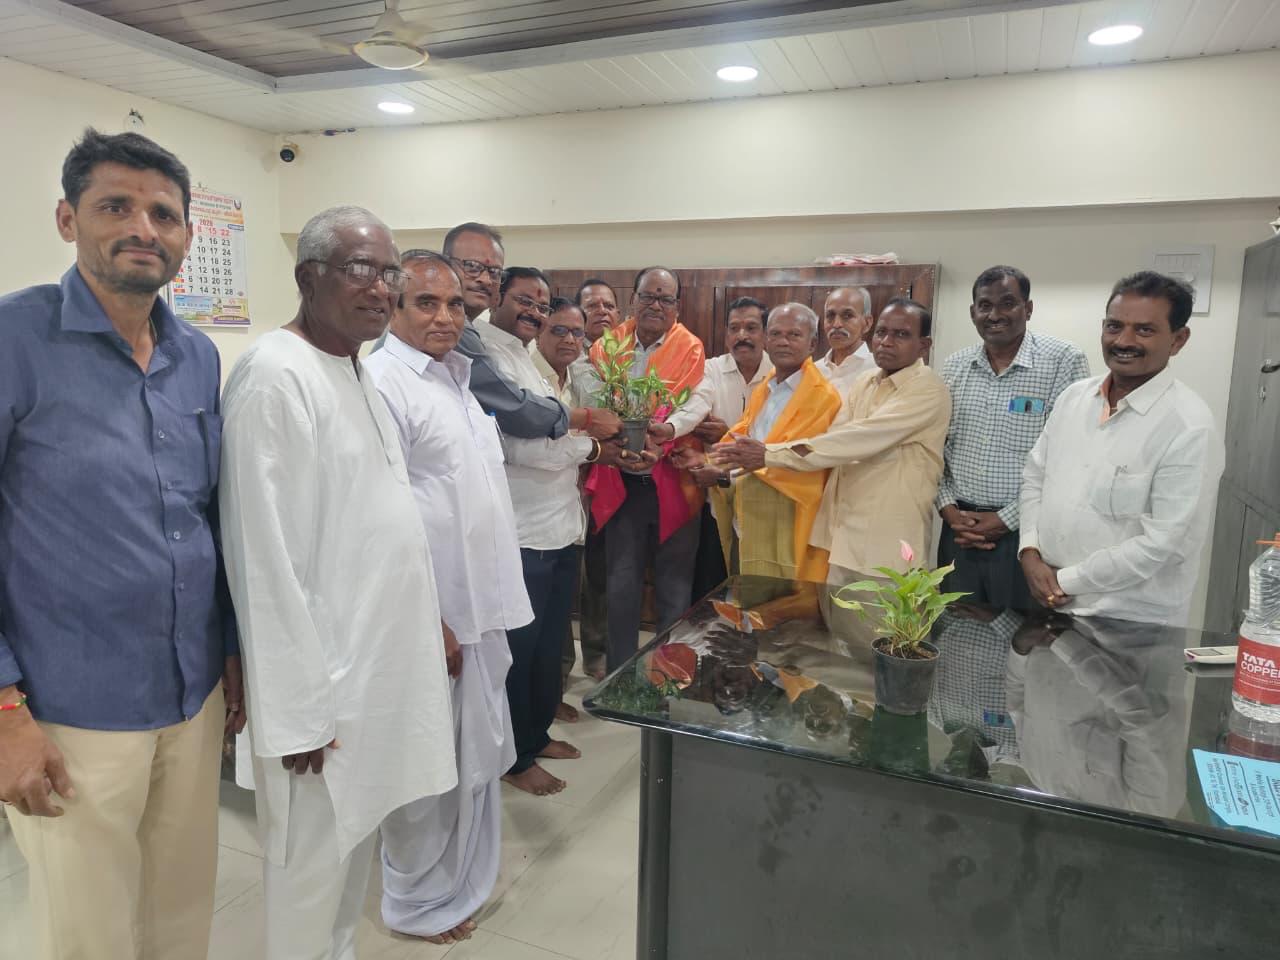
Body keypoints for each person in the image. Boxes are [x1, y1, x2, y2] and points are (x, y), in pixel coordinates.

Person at [0, 128, 239, 960]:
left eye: (164, 213)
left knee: (180, 910)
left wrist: (233, 659)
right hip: (70, 706)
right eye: (116, 206)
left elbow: (210, 517)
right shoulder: (14, 341)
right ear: (68, 220)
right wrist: (3, 713)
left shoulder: (197, 356)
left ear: (187, 235)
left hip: (191, 692)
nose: (144, 227)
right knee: (89, 930)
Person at [218, 206, 457, 959]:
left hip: (371, 679)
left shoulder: (352, 366)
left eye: (390, 273)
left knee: (351, 861)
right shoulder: (274, 375)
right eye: (362, 269)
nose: (381, 288)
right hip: (319, 699)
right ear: (308, 278)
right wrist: (294, 714)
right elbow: (264, 558)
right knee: (309, 877)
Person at [366, 250, 532, 946]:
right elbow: (381, 514)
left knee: (474, 759)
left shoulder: (458, 379)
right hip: (432, 617)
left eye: (455, 305)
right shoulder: (381, 382)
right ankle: (413, 901)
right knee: (426, 766)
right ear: (393, 308)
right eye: (425, 303)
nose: (443, 316)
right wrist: (426, 619)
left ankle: (460, 882)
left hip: (484, 607)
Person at [477, 267, 628, 795]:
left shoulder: (525, 360)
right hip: (523, 535)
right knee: (519, 655)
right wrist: (591, 446)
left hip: (562, 529)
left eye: (543, 305)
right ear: (498, 298)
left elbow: (553, 434)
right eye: (527, 302)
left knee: (546, 647)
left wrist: (576, 438)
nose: (537, 314)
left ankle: (536, 734)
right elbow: (523, 447)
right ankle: (514, 759)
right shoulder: (489, 356)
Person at [1019, 271, 1224, 626]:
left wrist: (1061, 581)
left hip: (1130, 623)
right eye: (1114, 326)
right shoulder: (1074, 399)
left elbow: (1162, 544)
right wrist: (1029, 551)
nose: (1124, 340)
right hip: (1051, 609)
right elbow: (1035, 477)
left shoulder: (1189, 427)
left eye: (1144, 329)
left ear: (1178, 340)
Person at [715, 298, 950, 585]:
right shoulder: (866, 383)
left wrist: (768, 455)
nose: (887, 342)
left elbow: (857, 440)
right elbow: (831, 441)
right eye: (882, 332)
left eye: (901, 335)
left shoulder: (927, 388)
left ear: (923, 346)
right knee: (836, 626)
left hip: (888, 543)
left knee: (886, 628)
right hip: (841, 537)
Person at [937, 266, 1089, 608]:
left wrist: (1005, 520)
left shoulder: (1063, 361)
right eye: (984, 305)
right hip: (958, 534)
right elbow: (937, 450)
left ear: (1028, 308)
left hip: (1028, 539)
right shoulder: (954, 367)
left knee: (1025, 646)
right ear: (973, 311)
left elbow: (1072, 460)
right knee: (954, 635)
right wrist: (948, 509)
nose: (995, 314)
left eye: (1008, 303)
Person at [587, 266, 706, 670]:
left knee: (674, 588)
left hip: (673, 482)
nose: (656, 305)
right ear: (633, 299)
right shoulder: (607, 346)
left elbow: (692, 406)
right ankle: (618, 676)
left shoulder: (691, 348)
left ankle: (668, 679)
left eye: (665, 298)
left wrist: (661, 437)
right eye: (648, 296)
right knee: (621, 585)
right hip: (622, 483)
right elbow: (594, 402)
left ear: (677, 306)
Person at [689, 303, 841, 580]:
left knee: (780, 614)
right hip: (747, 519)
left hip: (785, 525)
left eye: (794, 335)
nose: (783, 341)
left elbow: (795, 464)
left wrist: (722, 476)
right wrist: (706, 461)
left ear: (813, 343)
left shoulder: (822, 397)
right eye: (776, 334)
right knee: (745, 609)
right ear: (767, 340)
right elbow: (740, 442)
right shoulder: (768, 388)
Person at [435, 222, 622, 446]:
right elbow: (511, 408)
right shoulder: (463, 335)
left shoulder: (518, 350)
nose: (485, 279)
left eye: (494, 272)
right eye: (472, 266)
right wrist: (588, 426)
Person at [664, 296, 774, 596]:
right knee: (709, 591)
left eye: (752, 328)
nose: (742, 336)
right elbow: (696, 413)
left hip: (762, 500)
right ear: (725, 335)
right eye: (734, 328)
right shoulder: (710, 370)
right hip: (715, 498)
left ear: (765, 333)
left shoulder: (779, 375)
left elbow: (777, 443)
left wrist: (726, 434)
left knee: (756, 591)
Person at [568, 280, 620, 680]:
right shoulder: (566, 356)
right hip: (570, 475)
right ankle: (561, 667)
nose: (602, 311)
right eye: (592, 305)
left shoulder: (634, 362)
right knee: (570, 574)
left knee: (602, 571)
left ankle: (598, 654)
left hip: (615, 476)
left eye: (609, 305)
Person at [814, 286, 876, 398]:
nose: (837, 324)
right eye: (830, 316)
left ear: (867, 323)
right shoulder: (813, 371)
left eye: (847, 316)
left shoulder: (878, 371)